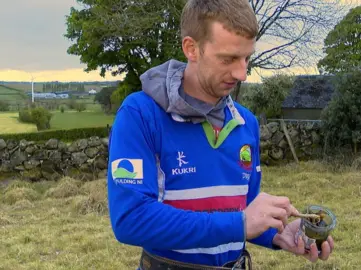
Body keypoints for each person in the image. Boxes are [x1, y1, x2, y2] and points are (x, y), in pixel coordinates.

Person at [106, 0, 334, 269]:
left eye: (246, 57)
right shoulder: (141, 114)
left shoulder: (245, 123)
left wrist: (276, 233)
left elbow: (242, 208)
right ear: (192, 48)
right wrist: (240, 224)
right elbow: (131, 219)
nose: (242, 73)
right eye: (228, 59)